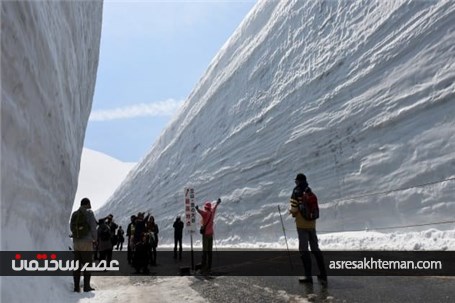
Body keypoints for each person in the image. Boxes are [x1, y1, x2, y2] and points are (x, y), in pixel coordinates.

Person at [289, 173, 327, 285]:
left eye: (296, 181)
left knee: (304, 250)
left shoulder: (296, 192)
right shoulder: (310, 191)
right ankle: (323, 274)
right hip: (312, 224)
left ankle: (308, 276)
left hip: (301, 225)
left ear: (298, 181)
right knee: (315, 248)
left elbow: (294, 209)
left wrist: (291, 212)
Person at [70, 198, 97, 292]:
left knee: (77, 266)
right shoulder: (89, 213)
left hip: (76, 243)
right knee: (87, 265)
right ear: (87, 204)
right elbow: (93, 227)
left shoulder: (74, 214)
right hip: (86, 243)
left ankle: (76, 287)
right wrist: (95, 239)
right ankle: (86, 287)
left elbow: (71, 227)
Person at [196, 198, 221, 274]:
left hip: (206, 235)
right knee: (210, 251)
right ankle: (209, 267)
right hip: (211, 234)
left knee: (205, 251)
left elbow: (200, 212)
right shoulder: (212, 212)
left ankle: (203, 268)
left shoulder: (205, 213)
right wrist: (217, 203)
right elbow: (215, 208)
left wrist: (197, 208)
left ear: (205, 207)